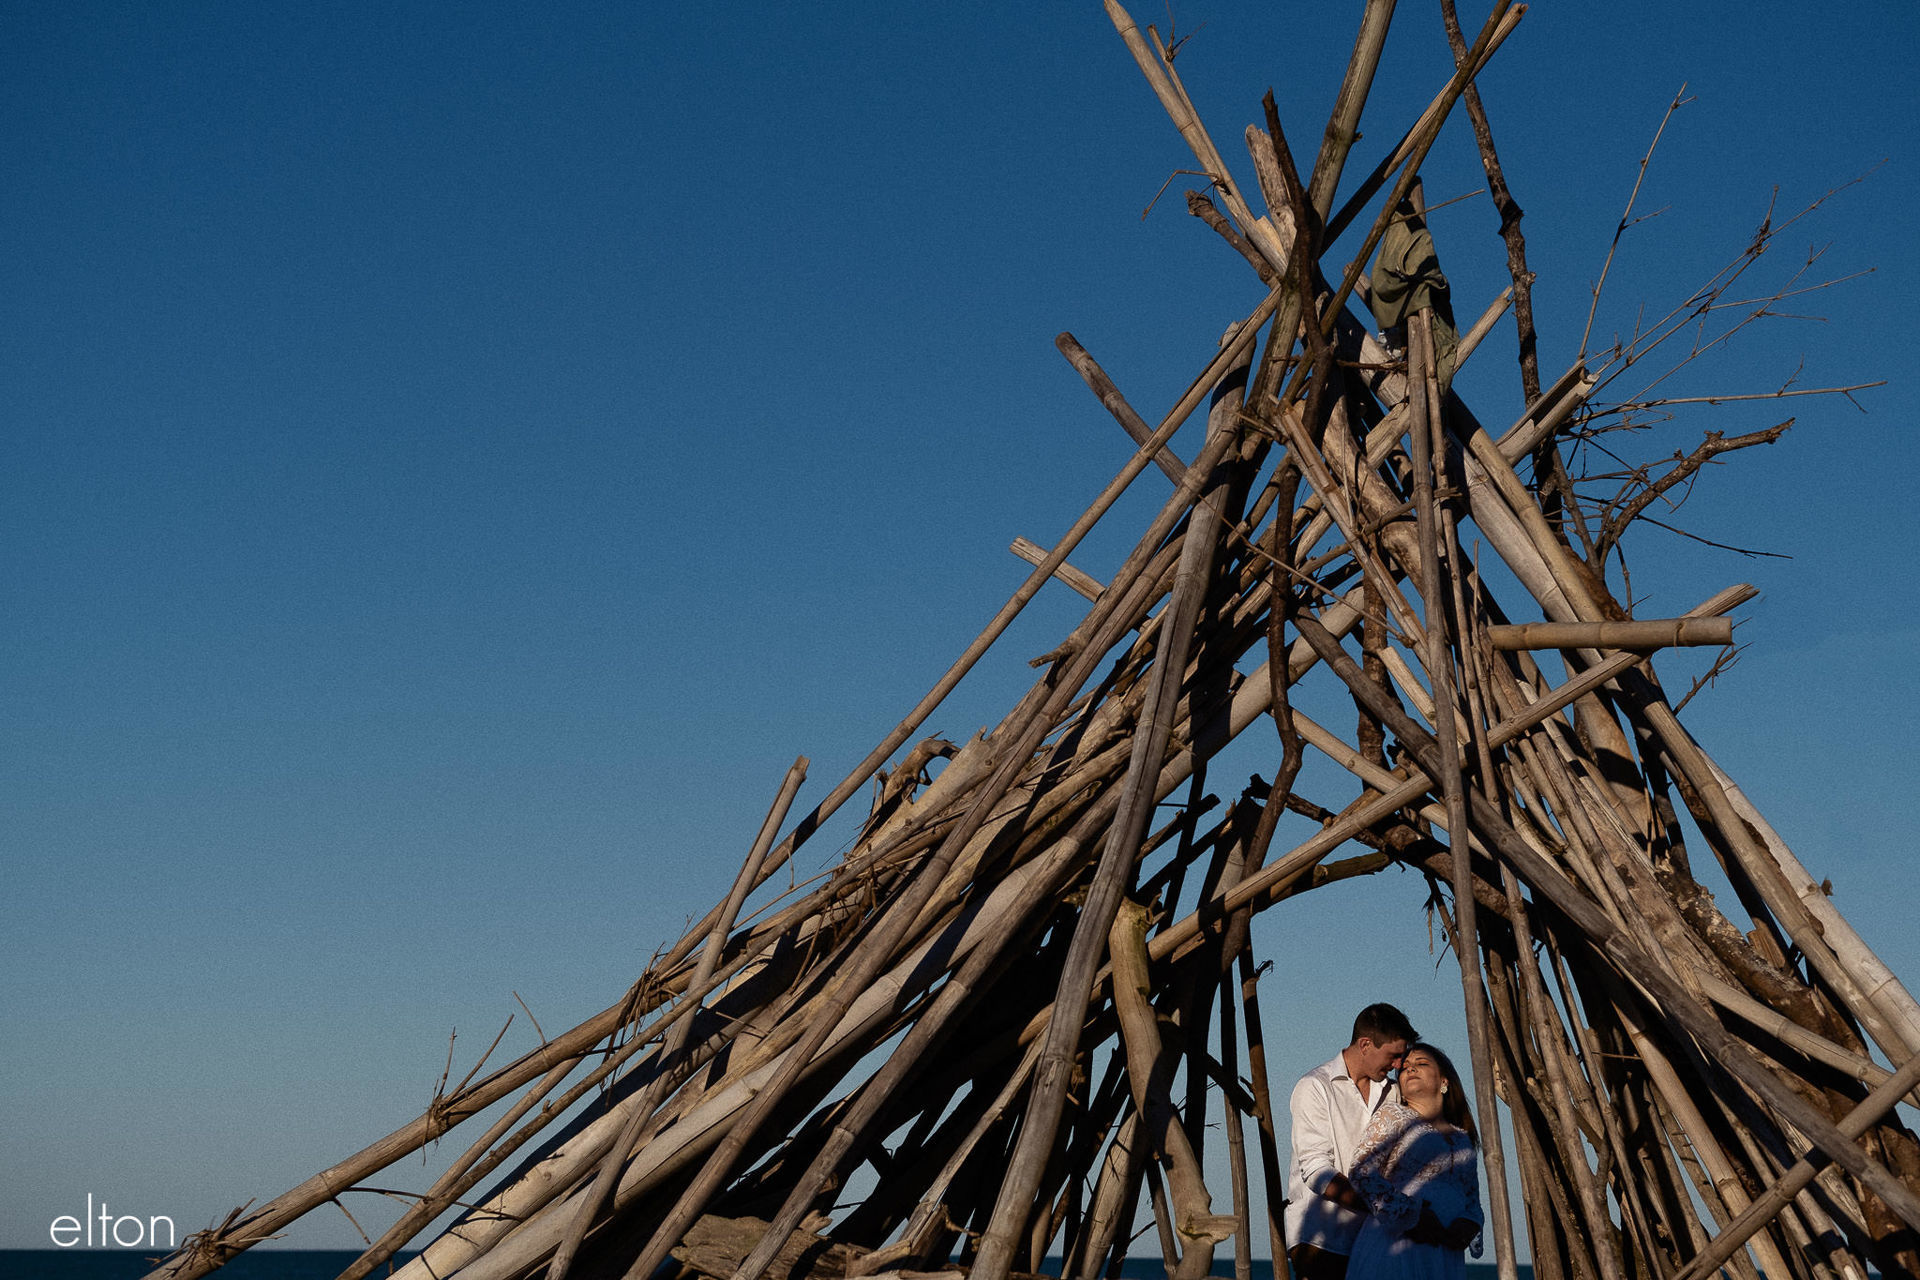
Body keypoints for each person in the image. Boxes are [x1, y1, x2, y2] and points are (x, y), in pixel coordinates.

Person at [1285, 1003, 1419, 1280]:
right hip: (1322, 1240)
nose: (1398, 1065)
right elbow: (1315, 1169)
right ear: (1366, 1044)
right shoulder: (1315, 1086)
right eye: (1393, 1055)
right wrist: (1379, 1205)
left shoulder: (1393, 1092)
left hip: (1375, 1241)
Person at [1344, 1042, 1484, 1280]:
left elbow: (1472, 1199)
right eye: (1405, 1066)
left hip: (1444, 1253)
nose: (1410, 1069)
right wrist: (1412, 1214)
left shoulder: (1462, 1139)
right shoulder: (1393, 1115)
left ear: (1444, 1082)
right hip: (1398, 1245)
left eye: (1421, 1064)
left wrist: (1469, 1223)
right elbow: (1362, 1173)